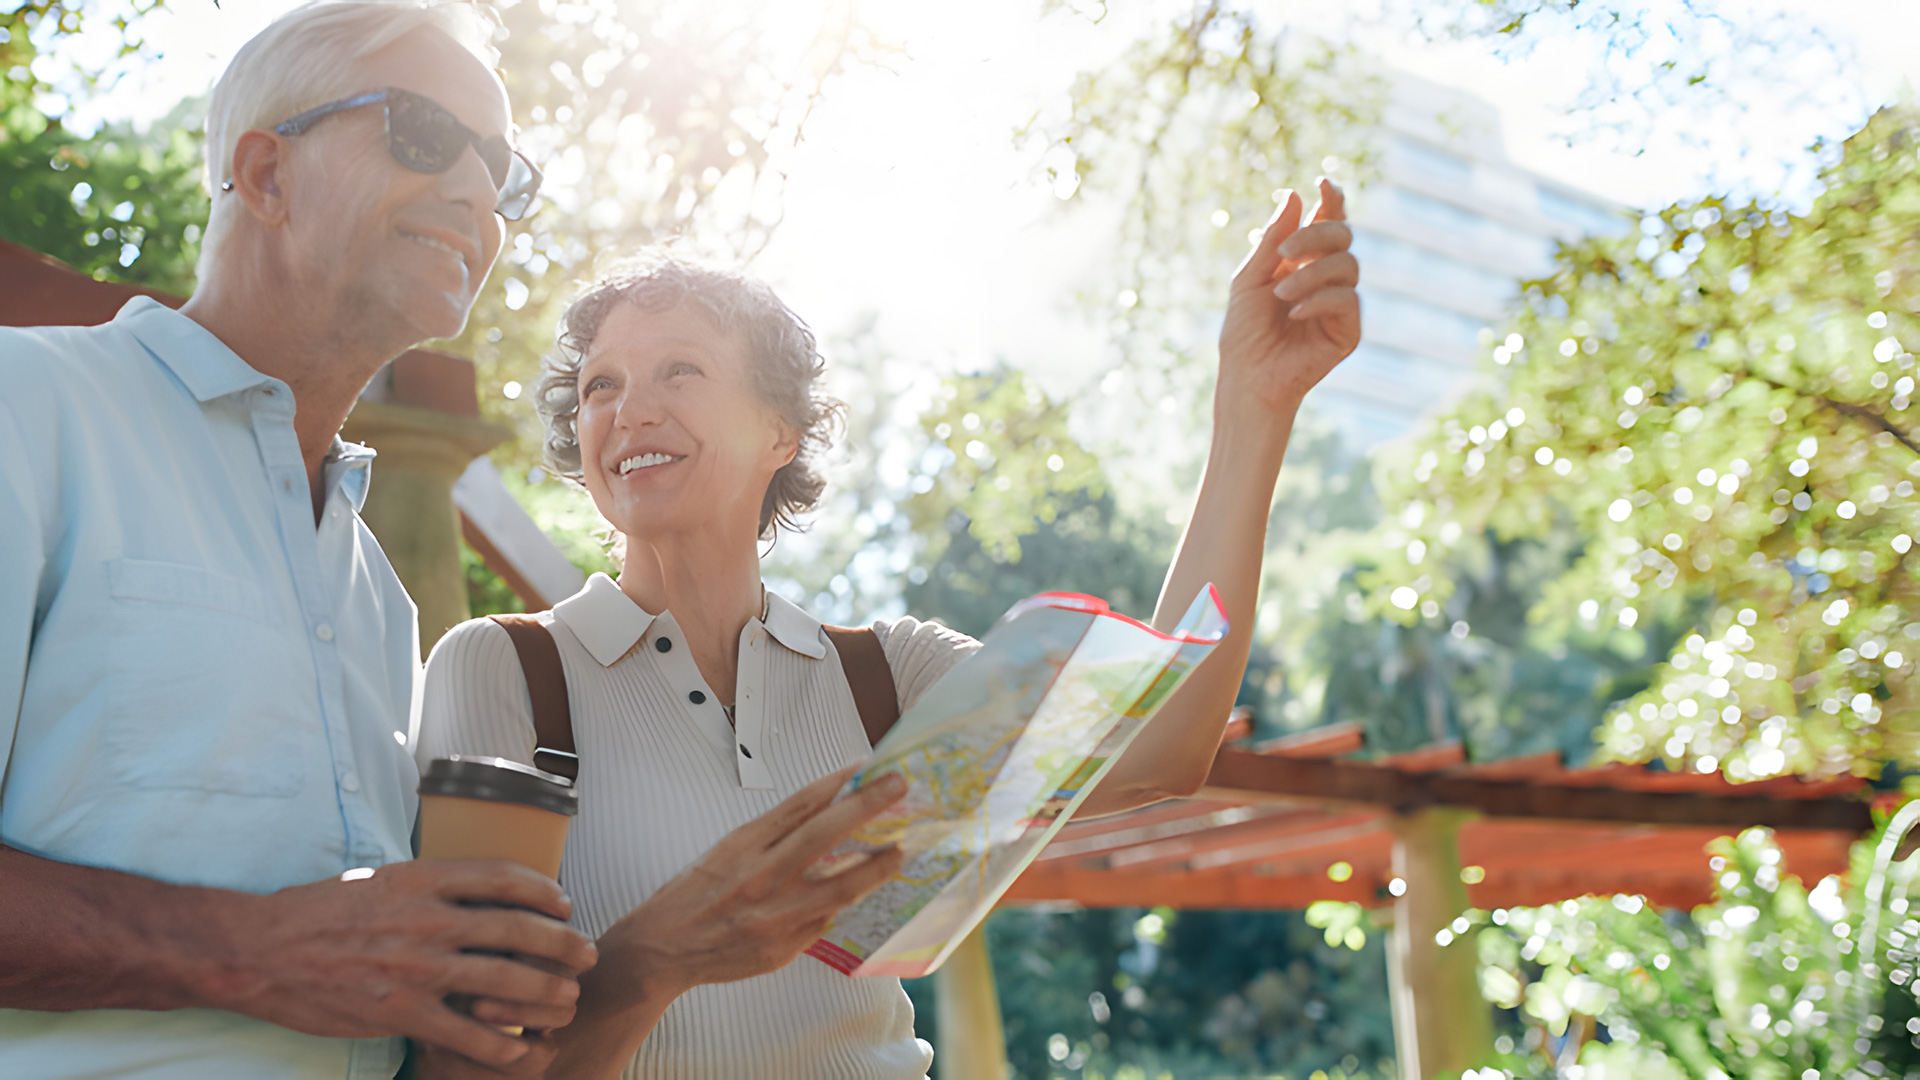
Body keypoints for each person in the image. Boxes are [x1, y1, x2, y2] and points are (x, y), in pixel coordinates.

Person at [0, 2, 908, 1077]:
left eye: (505, 172)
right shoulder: (30, 408)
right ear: (265, 173)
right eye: (426, 135)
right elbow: (298, 955)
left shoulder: (375, 592)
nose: (480, 194)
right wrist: (250, 952)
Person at [416, 178, 1360, 1077]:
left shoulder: (886, 682)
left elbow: (1162, 743)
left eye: (681, 371)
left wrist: (1253, 404)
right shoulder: (505, 671)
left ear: (781, 432)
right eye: (598, 387)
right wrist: (660, 958)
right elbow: (468, 1064)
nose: (628, 410)